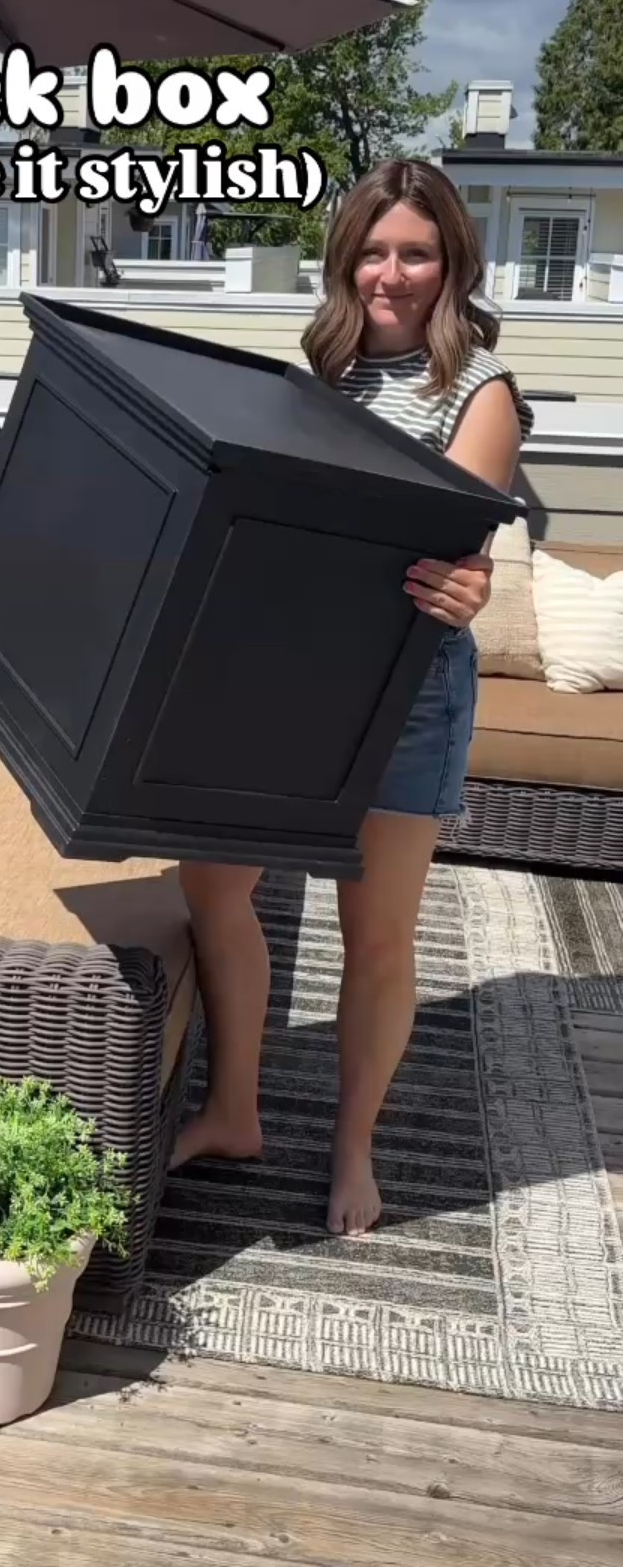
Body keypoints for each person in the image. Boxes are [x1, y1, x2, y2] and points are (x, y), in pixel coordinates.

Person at [170, 157, 534, 1238]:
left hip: (403, 693)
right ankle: (235, 1111)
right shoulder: (319, 376)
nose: (392, 273)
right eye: (374, 251)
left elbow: (456, 547)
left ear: (452, 262)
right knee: (212, 885)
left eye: (416, 252)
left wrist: (469, 584)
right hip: (289, 679)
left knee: (375, 936)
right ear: (346, 261)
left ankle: (355, 1148)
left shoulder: (481, 391)